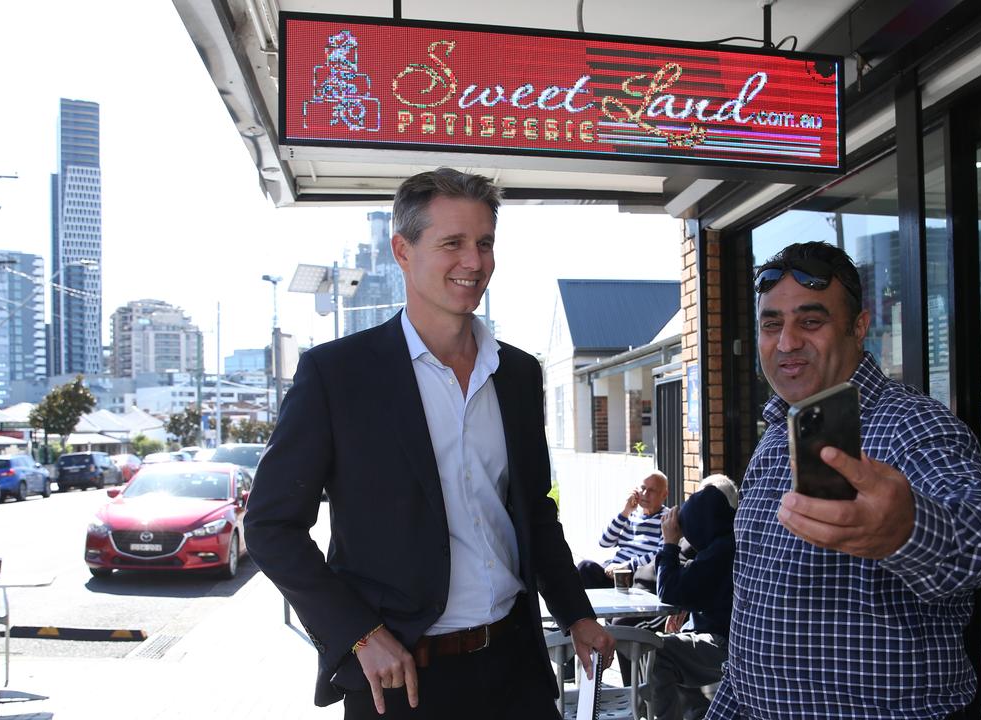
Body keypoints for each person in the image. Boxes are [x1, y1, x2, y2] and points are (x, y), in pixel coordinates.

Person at [244, 167, 614, 720]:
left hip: (517, 670)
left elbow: (535, 513)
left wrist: (576, 614)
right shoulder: (337, 375)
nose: (474, 261)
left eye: (484, 243)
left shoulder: (516, 373)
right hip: (405, 684)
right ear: (402, 250)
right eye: (453, 243)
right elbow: (270, 527)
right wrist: (359, 634)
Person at [706, 242, 981, 720]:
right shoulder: (775, 439)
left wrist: (909, 529)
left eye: (810, 322)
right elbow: (755, 620)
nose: (787, 342)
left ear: (858, 327)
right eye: (772, 324)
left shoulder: (911, 426)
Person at [648, 474, 737, 720]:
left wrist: (670, 543)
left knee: (656, 651)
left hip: (727, 646)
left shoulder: (721, 551)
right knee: (674, 646)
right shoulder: (729, 542)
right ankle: (699, 715)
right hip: (731, 639)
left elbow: (668, 592)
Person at [578, 471, 669, 588]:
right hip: (613, 570)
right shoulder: (630, 514)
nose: (645, 493)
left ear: (664, 494)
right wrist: (625, 512)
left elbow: (662, 554)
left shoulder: (667, 518)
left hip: (637, 577)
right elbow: (604, 542)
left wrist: (628, 566)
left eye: (652, 490)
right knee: (583, 568)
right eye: (643, 488)